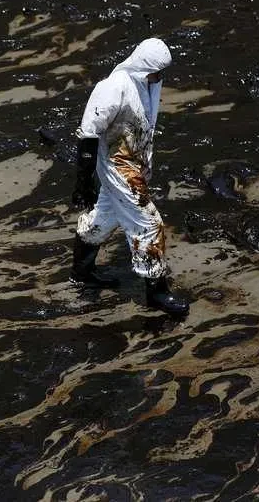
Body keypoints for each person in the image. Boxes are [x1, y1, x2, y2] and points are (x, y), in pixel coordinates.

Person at [70, 37, 190, 316]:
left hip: (133, 166)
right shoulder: (113, 88)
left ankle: (81, 272)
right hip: (116, 167)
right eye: (156, 71)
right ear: (143, 65)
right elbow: (88, 133)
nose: (160, 77)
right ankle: (157, 294)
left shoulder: (148, 84)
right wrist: (83, 181)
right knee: (149, 224)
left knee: (103, 217)